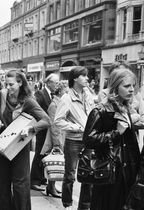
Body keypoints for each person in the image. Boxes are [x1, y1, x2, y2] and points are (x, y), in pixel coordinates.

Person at [0, 70, 50, 210]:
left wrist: (31, 129)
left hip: (20, 145)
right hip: (3, 143)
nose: (8, 87)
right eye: (6, 84)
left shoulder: (28, 100)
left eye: (11, 84)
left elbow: (46, 120)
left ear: (20, 83)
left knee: (20, 184)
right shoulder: (2, 95)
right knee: (1, 182)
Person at [83, 68, 141, 210]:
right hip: (109, 171)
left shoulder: (126, 108)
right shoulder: (101, 110)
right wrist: (116, 133)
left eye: (133, 85)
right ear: (115, 87)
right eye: (127, 86)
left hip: (128, 171)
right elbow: (89, 139)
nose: (132, 90)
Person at [53, 66, 95, 210]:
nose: (87, 78)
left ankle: (84, 206)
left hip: (89, 140)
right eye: (84, 76)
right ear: (75, 78)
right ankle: (67, 204)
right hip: (73, 141)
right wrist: (76, 127)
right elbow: (58, 121)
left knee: (88, 175)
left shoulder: (88, 94)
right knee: (70, 175)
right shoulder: (66, 98)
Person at [30, 73, 60, 192]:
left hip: (49, 130)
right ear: (48, 83)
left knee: (46, 155)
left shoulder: (52, 94)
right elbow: (35, 111)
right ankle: (34, 181)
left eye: (58, 83)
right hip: (42, 130)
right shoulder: (40, 94)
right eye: (55, 82)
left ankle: (42, 178)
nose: (57, 85)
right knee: (39, 154)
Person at [40, 80, 69, 198]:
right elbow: (54, 125)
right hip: (55, 138)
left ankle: (51, 187)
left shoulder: (61, 103)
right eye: (65, 91)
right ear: (60, 91)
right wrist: (57, 144)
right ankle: (51, 187)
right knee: (55, 162)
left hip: (61, 136)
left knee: (58, 163)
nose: (67, 93)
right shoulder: (54, 105)